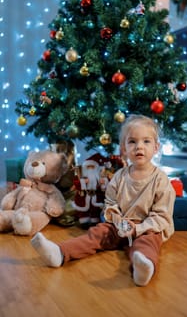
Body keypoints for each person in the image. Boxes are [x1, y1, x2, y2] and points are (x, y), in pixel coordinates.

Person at [31, 114, 176, 287]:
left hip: (147, 227)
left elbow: (162, 216)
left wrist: (138, 228)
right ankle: (60, 252)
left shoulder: (161, 180)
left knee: (147, 242)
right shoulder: (119, 177)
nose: (139, 147)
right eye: (132, 142)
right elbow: (110, 203)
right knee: (97, 233)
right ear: (123, 149)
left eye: (146, 141)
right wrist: (117, 219)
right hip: (119, 225)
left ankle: (143, 267)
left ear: (156, 147)